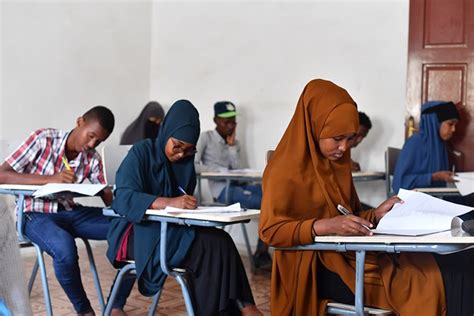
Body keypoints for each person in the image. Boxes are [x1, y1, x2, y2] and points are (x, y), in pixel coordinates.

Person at [259, 79, 474, 315]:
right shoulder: (283, 169)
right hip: (313, 266)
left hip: (348, 253)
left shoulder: (335, 165)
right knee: (442, 276)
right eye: (337, 138)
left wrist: (375, 213)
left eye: (350, 139)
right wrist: (325, 225)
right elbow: (271, 231)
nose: (343, 148)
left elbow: (346, 216)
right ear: (313, 126)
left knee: (456, 261)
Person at [106, 100, 263, 316]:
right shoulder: (142, 152)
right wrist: (168, 202)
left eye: (188, 150)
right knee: (207, 248)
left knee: (221, 240)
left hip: (170, 229)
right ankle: (235, 310)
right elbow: (123, 198)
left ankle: (242, 307)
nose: (180, 154)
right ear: (166, 131)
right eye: (177, 146)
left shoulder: (185, 162)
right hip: (136, 232)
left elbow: (181, 201)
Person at [0, 106, 133, 316]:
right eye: (90, 136)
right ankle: (85, 311)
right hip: (33, 214)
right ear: (79, 122)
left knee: (132, 230)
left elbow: (106, 193)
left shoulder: (93, 158)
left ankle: (116, 305)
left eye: (98, 141)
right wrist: (49, 179)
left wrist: (113, 195)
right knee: (64, 247)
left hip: (70, 211)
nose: (91, 144)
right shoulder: (43, 139)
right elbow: (2, 174)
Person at [194, 101, 271, 270]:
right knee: (266, 202)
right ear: (216, 120)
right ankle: (262, 253)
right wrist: (218, 170)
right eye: (226, 122)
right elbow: (193, 165)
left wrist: (231, 147)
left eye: (233, 122)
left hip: (240, 186)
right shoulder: (205, 137)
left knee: (273, 196)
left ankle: (262, 251)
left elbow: (238, 170)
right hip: (223, 191)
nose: (230, 126)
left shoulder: (235, 143)